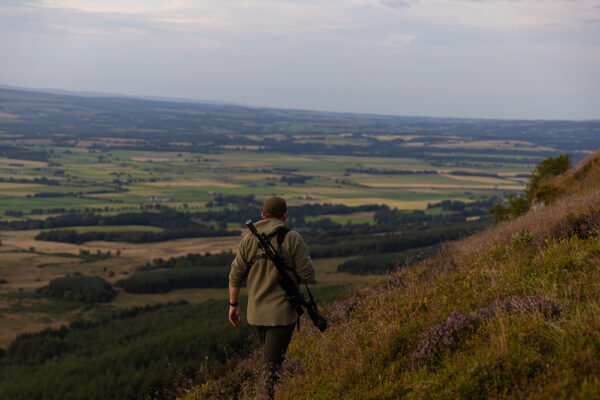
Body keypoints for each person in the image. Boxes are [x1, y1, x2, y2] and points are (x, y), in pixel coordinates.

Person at [228, 196, 315, 399]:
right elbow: (308, 275)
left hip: (256, 315)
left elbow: (235, 274)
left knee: (270, 364)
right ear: (285, 215)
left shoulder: (249, 239)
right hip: (281, 316)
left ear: (263, 216)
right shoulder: (292, 238)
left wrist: (233, 305)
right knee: (269, 373)